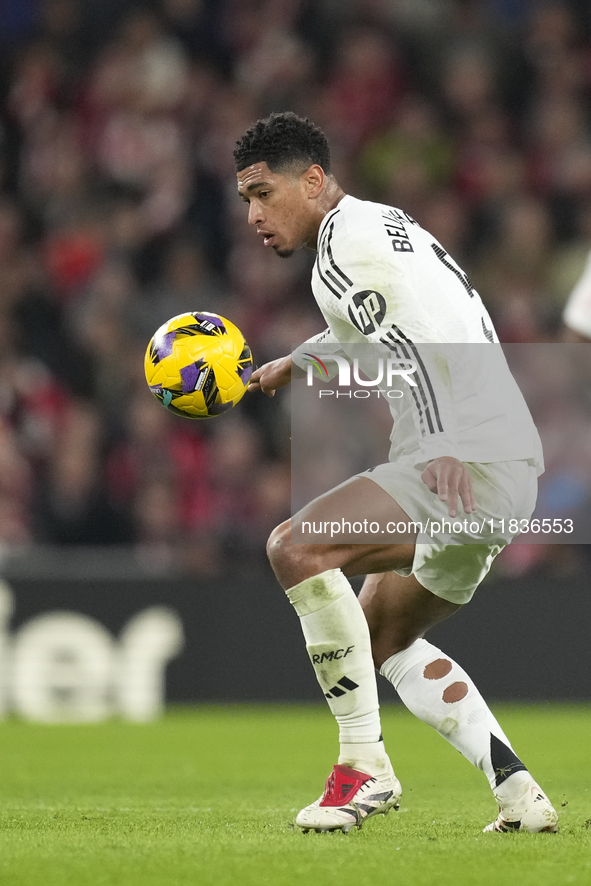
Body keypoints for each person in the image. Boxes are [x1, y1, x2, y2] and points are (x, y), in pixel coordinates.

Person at [234, 111, 558, 835]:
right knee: (379, 638)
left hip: (461, 460)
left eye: (263, 192)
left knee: (296, 547)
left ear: (313, 180)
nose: (254, 215)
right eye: (244, 200)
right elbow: (387, 321)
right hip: (506, 460)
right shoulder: (378, 225)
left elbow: (410, 335)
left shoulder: (342, 255)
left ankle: (363, 773)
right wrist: (302, 359)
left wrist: (440, 445)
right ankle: (518, 793)